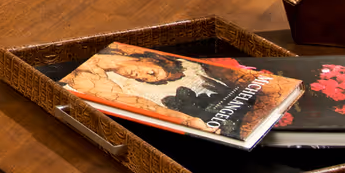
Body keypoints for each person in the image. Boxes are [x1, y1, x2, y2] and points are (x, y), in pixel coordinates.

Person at [62, 45, 237, 135]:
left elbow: (147, 106)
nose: (142, 77)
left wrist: (188, 121)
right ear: (149, 59)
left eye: (146, 79)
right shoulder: (121, 48)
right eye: (152, 73)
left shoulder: (97, 82)